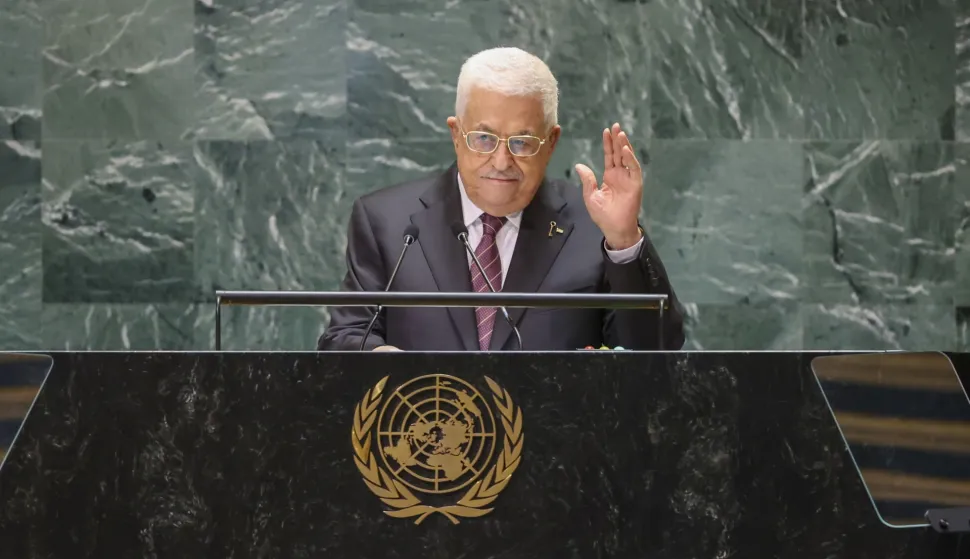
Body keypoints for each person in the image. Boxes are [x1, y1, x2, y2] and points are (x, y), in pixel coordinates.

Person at [318, 47, 684, 352]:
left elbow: (657, 353)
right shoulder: (386, 221)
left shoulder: (594, 225)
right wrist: (390, 365)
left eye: (522, 142)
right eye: (483, 138)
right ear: (456, 134)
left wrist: (624, 241)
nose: (501, 161)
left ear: (551, 142)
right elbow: (343, 338)